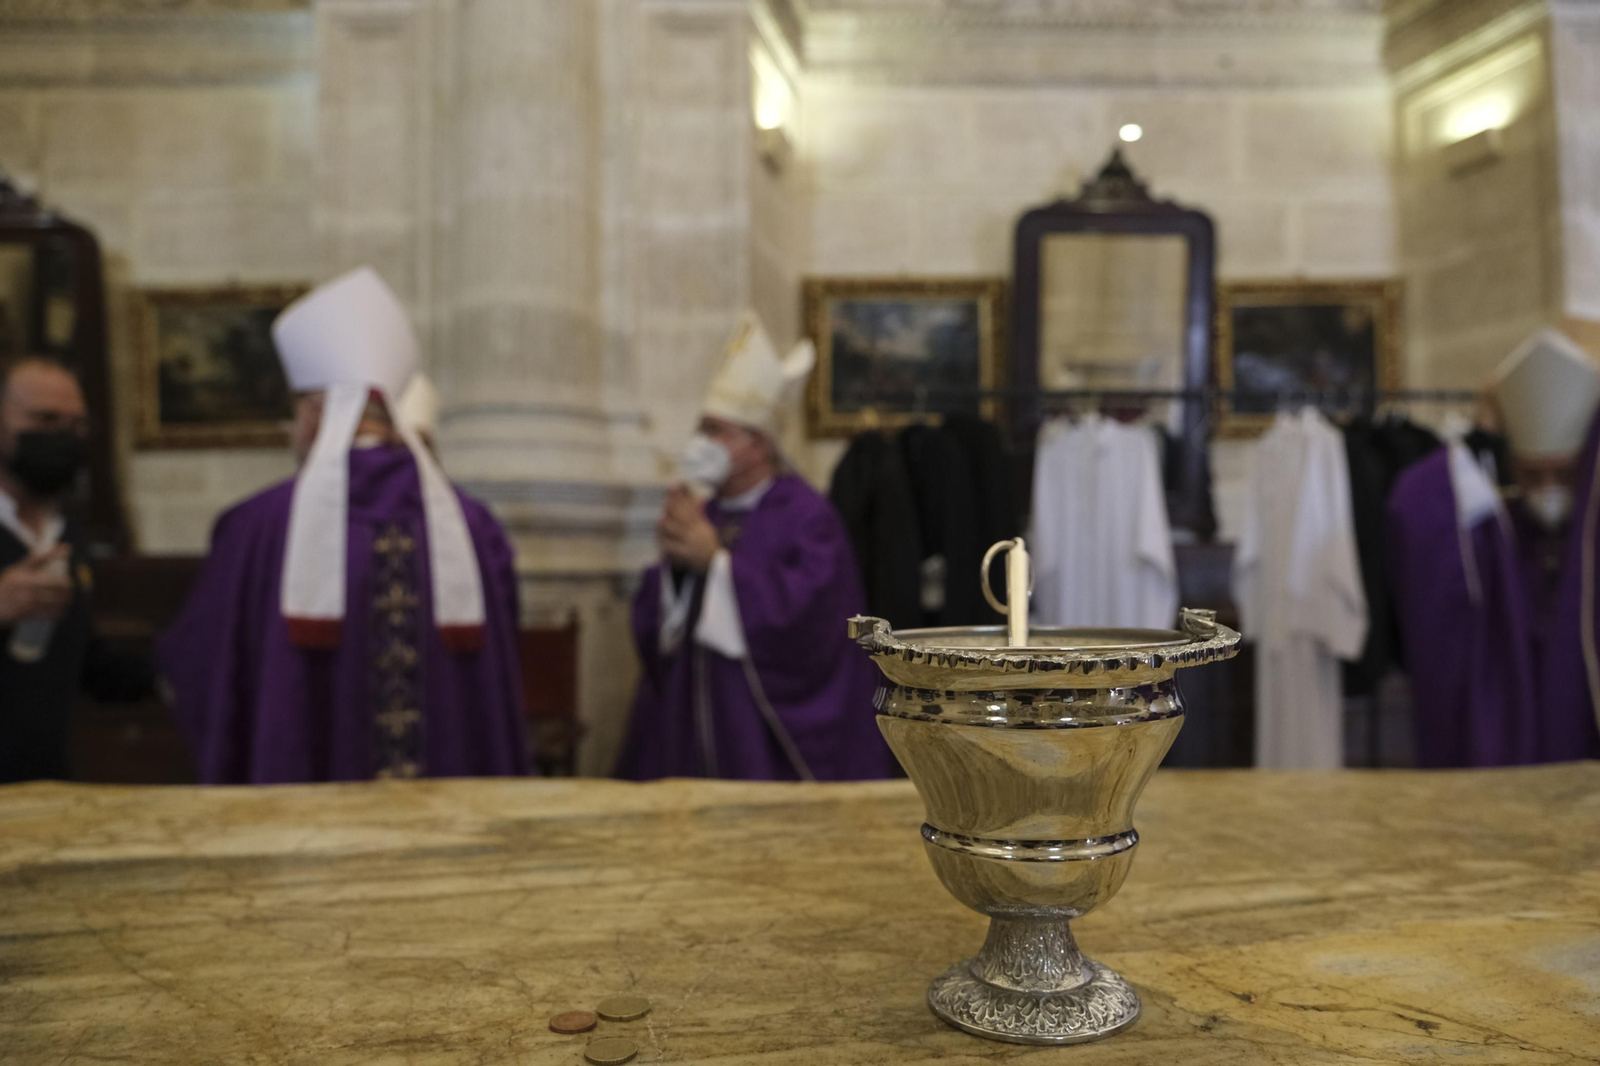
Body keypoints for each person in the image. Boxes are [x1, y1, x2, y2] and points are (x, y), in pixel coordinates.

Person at [158, 268, 529, 783]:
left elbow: (201, 664)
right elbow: (503, 659)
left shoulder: (255, 528)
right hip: (449, 816)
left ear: (314, 414)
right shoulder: (475, 527)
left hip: (303, 828)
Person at [617, 312, 890, 781]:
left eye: (716, 431)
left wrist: (716, 565)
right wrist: (676, 571)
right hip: (690, 718)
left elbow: (813, 623)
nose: (702, 442)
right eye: (702, 428)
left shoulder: (807, 515)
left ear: (758, 443)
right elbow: (659, 624)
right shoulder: (708, 510)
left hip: (761, 735)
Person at [1389, 322, 1600, 765]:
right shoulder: (1487, 519)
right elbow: (1416, 506)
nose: (1549, 488)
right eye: (1533, 474)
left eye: (1562, 474)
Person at [0, 356, 152, 782]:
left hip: (43, 784)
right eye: (44, 420)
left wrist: (178, 671)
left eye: (74, 426)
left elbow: (79, 657)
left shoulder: (66, 533)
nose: (61, 439)